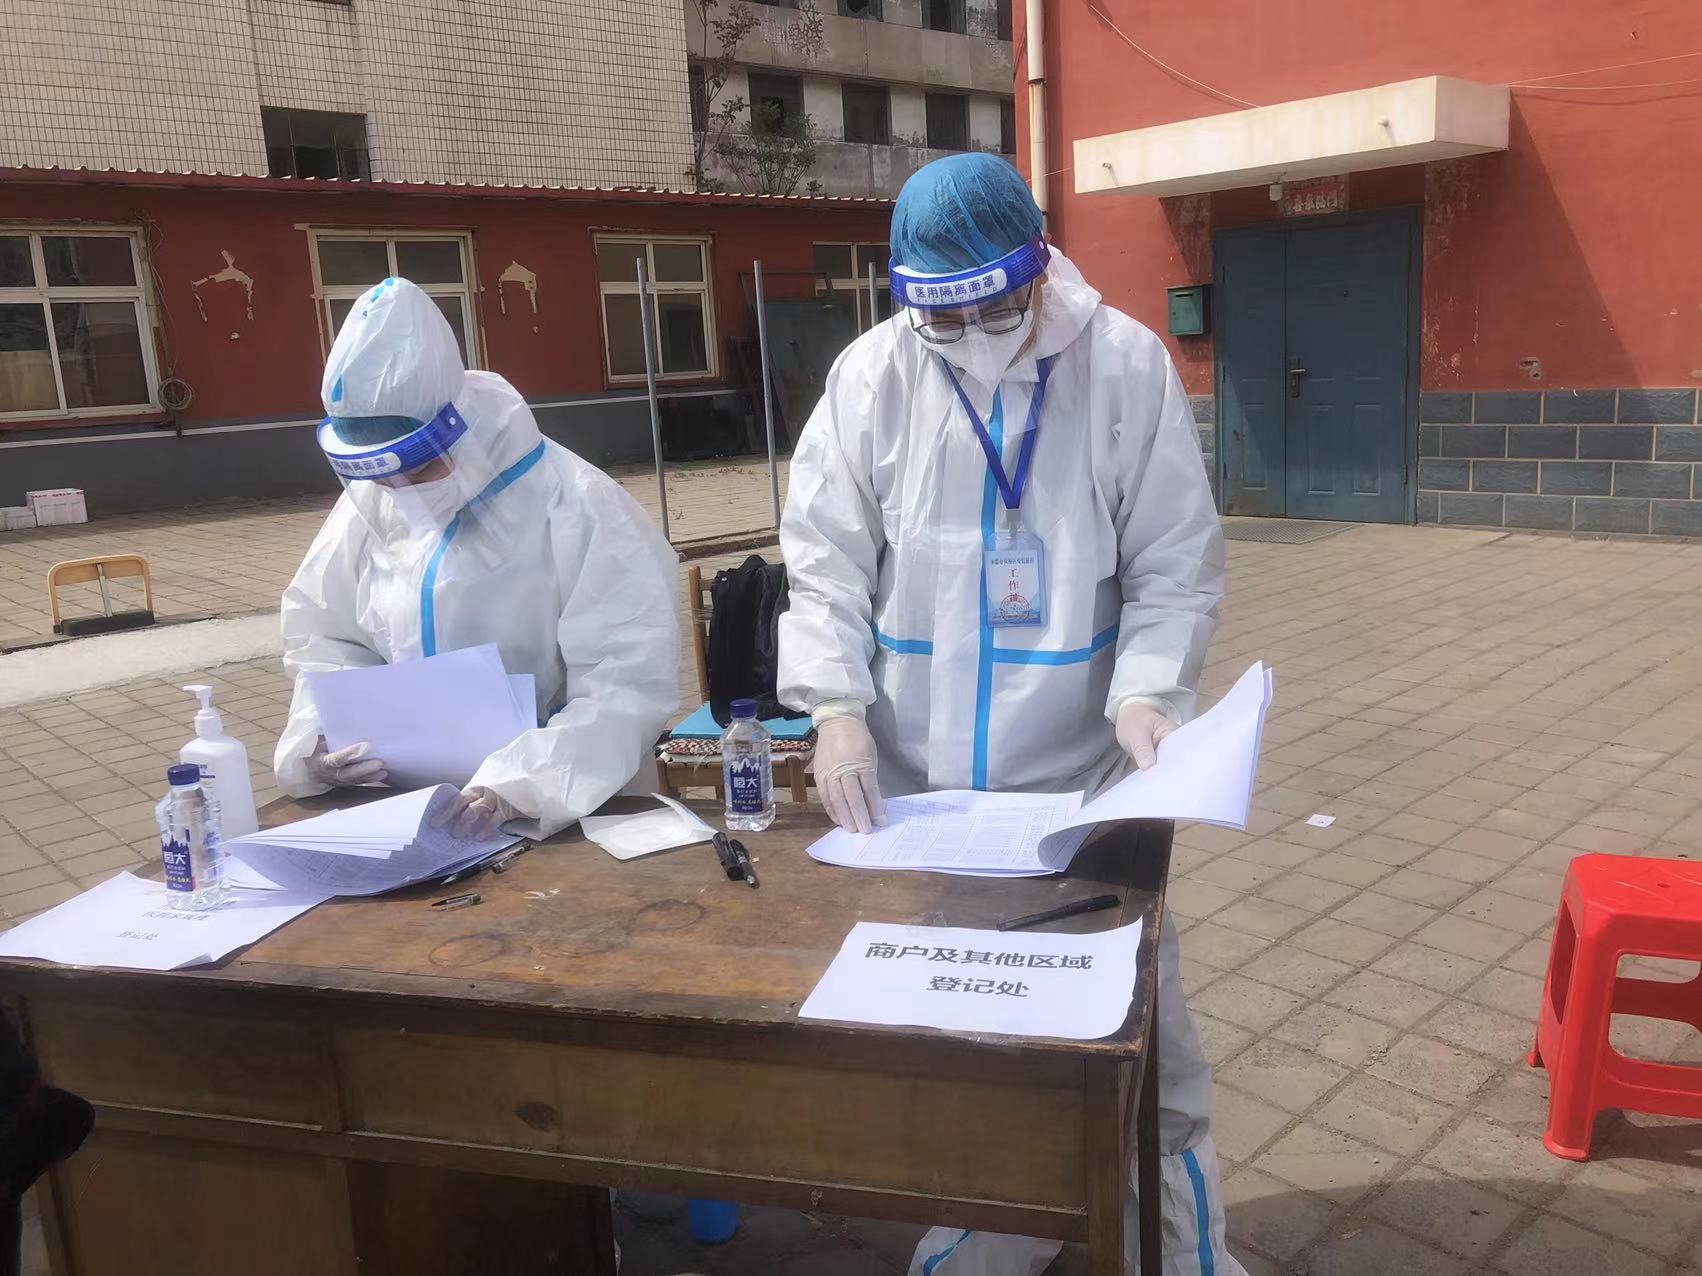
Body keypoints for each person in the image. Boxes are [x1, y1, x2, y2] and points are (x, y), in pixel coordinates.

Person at [778, 154, 1237, 1275]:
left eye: (991, 307)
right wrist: (834, 706)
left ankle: (1182, 1253)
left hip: (1082, 789)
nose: (971, 335)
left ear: (1037, 269)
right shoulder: (873, 376)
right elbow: (825, 562)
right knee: (968, 1051)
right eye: (942, 316)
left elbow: (1174, 560)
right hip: (923, 797)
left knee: (1146, 1056)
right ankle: (1002, 1226)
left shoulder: (1121, 366)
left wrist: (1149, 689)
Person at [274, 277, 680, 839]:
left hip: (571, 815)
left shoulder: (577, 505)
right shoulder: (371, 505)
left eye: (417, 470)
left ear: (456, 428)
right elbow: (324, 635)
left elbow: (627, 684)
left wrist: (518, 788)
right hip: (409, 812)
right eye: (383, 478)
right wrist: (319, 740)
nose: (400, 491)